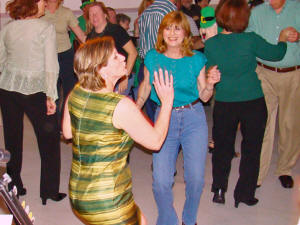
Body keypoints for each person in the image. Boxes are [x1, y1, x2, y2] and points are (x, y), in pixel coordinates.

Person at [62, 36, 174, 225]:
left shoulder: (77, 91)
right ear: (100, 69)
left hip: (79, 194)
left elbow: (67, 132)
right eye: (115, 57)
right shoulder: (120, 106)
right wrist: (167, 102)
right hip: (108, 200)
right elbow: (155, 142)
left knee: (142, 220)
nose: (123, 57)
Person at [137, 11, 220, 225]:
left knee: (195, 179)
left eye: (177, 28)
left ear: (186, 33)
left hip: (193, 118)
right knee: (161, 181)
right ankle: (168, 219)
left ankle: (189, 219)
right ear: (161, 32)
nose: (172, 33)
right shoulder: (153, 57)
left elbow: (204, 96)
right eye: (167, 28)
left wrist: (210, 84)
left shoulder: (197, 59)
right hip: (165, 118)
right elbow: (146, 86)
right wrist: (135, 108)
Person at [204, 0, 289, 208]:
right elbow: (276, 54)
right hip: (252, 101)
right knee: (252, 148)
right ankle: (244, 193)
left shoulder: (211, 44)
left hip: (224, 102)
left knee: (222, 148)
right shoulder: (250, 40)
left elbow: (209, 69)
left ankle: (220, 189)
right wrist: (283, 39)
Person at [0, 0, 66, 204]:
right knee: (49, 141)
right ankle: (48, 192)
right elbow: (50, 66)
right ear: (33, 4)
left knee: (12, 139)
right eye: (43, 2)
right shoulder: (45, 28)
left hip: (7, 88)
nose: (45, 6)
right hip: (36, 91)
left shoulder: (7, 27)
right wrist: (51, 96)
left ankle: (14, 186)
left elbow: (1, 60)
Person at [247, 0, 300, 189]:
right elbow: (248, 38)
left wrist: (299, 36)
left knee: (290, 124)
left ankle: (285, 168)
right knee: (263, 123)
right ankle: (258, 173)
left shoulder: (297, 7)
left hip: (293, 74)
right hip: (264, 73)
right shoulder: (256, 12)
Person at [41, 0, 86, 127]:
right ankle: (53, 122)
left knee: (69, 89)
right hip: (47, 56)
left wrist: (94, 49)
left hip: (66, 54)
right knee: (51, 90)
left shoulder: (66, 12)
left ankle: (64, 122)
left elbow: (81, 36)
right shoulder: (40, 12)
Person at [85, 2, 137, 96]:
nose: (94, 16)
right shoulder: (90, 37)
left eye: (97, 13)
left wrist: (125, 77)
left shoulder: (116, 30)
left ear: (105, 15)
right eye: (91, 14)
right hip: (101, 79)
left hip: (121, 76)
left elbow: (133, 53)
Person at [138, 0, 177, 122]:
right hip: (165, 65)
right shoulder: (170, 10)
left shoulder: (145, 12)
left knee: (152, 114)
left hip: (146, 63)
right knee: (168, 114)